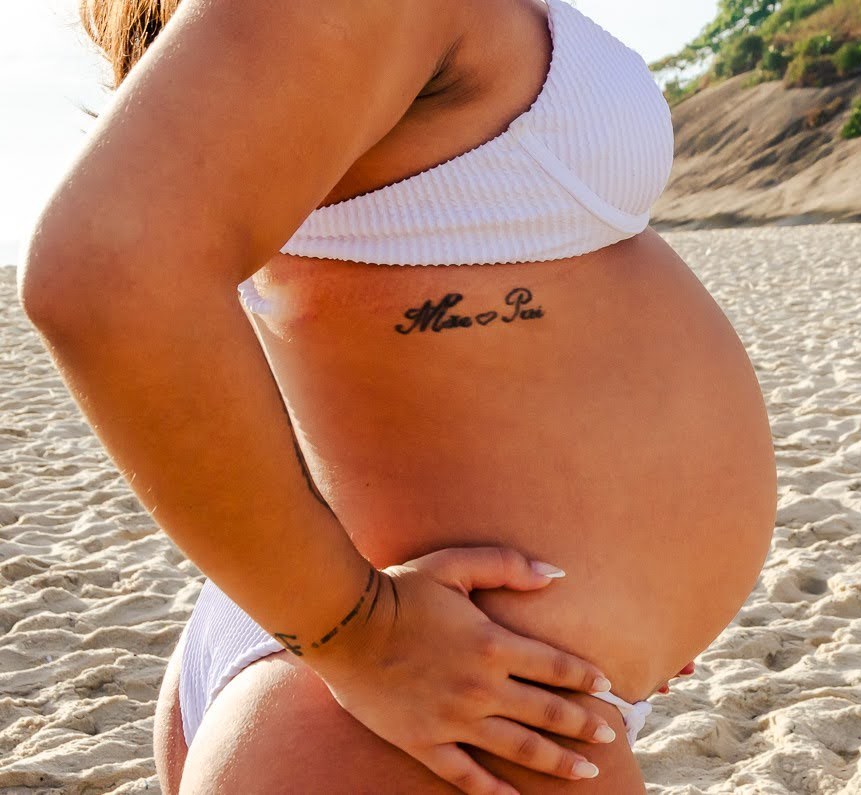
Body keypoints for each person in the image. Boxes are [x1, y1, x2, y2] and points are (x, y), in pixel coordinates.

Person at [18, 0, 778, 791]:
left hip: (442, 671)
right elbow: (108, 268)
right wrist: (359, 633)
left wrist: (643, 594)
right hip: (410, 694)